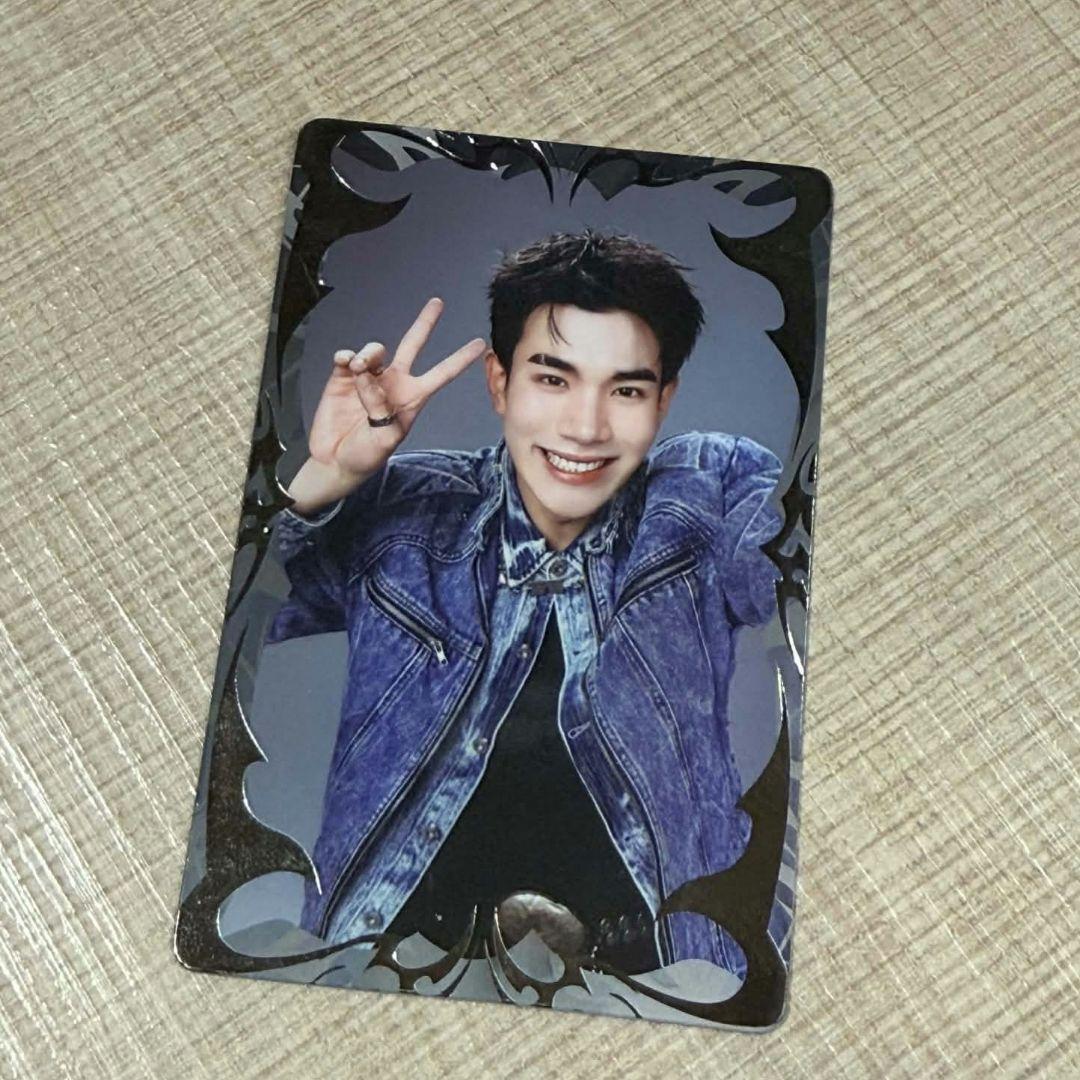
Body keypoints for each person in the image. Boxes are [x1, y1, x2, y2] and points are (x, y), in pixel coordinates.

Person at [266, 231, 783, 975]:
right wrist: (324, 480)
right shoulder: (409, 512)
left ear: (664, 400)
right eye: (553, 380)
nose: (586, 427)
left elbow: (798, 574)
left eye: (627, 390)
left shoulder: (704, 495)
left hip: (652, 986)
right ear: (500, 382)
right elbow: (236, 617)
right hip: (386, 967)